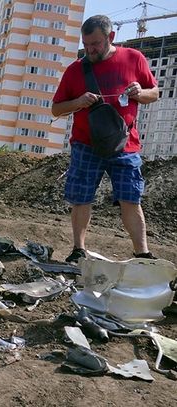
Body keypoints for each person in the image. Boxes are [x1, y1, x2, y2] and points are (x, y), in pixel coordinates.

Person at [52, 15, 159, 263]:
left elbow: (154, 93)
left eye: (96, 44)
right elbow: (56, 109)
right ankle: (78, 249)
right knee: (82, 198)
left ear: (110, 37)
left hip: (125, 145)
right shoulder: (75, 70)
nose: (89, 50)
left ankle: (142, 253)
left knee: (130, 197)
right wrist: (78, 102)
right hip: (86, 145)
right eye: (86, 44)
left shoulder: (134, 58)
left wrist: (140, 93)